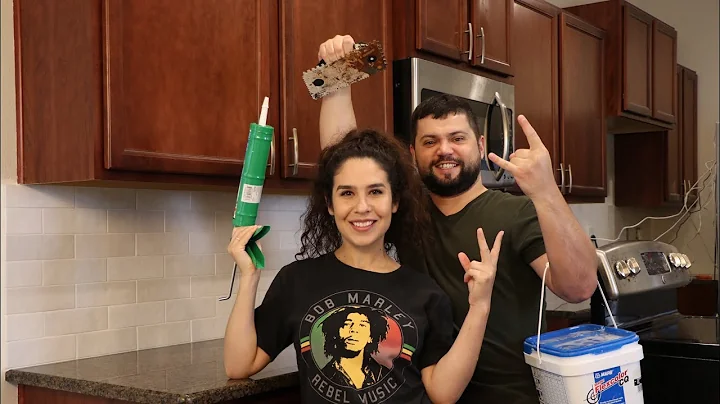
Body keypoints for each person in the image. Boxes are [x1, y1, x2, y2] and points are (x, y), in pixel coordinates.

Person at [317, 34, 599, 404]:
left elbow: (579, 288)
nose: (445, 150)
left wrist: (547, 191)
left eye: (457, 138)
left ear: (481, 147)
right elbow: (342, 163)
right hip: (428, 392)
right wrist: (336, 78)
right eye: (430, 141)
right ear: (412, 152)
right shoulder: (406, 212)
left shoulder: (517, 212)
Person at [223, 128, 505, 404]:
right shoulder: (297, 280)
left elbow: (444, 394)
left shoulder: (425, 293)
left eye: (375, 192)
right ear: (330, 204)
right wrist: (249, 277)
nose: (362, 207)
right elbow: (238, 365)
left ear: (394, 201)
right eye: (347, 193)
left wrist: (480, 307)